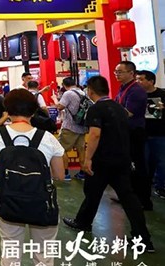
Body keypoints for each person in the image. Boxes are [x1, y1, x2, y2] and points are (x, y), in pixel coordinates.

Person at [0, 89, 65, 266]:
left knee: (10, 257)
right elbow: (60, 175)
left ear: (7, 110)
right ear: (34, 111)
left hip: (9, 202)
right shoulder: (47, 138)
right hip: (42, 204)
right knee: (44, 258)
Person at [63, 76, 154, 252]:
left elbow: (95, 135)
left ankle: (83, 222)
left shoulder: (96, 109)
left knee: (92, 192)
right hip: (122, 159)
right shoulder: (120, 108)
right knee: (128, 197)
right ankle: (143, 238)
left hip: (103, 160)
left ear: (90, 91)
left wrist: (88, 159)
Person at [114, 61, 152, 210]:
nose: (117, 74)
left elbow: (128, 113)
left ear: (131, 73)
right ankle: (129, 197)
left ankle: (143, 200)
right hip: (125, 132)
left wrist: (110, 111)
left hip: (134, 133)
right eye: (116, 72)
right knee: (127, 167)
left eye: (120, 72)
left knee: (138, 166)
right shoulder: (123, 88)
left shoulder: (136, 91)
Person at [136, 70, 165, 201]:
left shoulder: (162, 94)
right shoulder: (137, 95)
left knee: (161, 162)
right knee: (144, 162)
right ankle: (145, 187)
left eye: (141, 79)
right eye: (137, 79)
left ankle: (161, 186)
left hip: (160, 134)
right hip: (142, 134)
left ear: (151, 81)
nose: (138, 82)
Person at [54, 77, 89, 181]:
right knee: (81, 150)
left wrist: (54, 99)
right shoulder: (83, 92)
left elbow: (60, 107)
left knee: (61, 149)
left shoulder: (68, 93)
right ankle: (82, 173)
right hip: (82, 126)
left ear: (64, 85)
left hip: (70, 127)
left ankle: (65, 173)